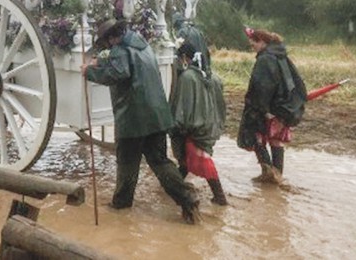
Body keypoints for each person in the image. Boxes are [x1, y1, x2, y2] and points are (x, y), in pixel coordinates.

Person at [83, 19, 201, 224]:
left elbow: (119, 71)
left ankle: (121, 204)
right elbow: (124, 64)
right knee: (160, 161)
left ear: (111, 38)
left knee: (127, 162)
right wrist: (100, 62)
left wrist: (89, 72)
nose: (108, 46)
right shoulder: (143, 45)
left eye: (107, 42)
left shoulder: (120, 50)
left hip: (133, 118)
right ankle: (187, 198)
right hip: (156, 116)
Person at [237, 27, 306, 184]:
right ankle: (277, 176)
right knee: (276, 141)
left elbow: (262, 86)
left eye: (253, 44)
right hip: (283, 107)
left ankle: (269, 174)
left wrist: (263, 110)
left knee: (256, 138)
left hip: (269, 108)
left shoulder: (265, 59)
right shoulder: (281, 55)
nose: (252, 47)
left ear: (261, 42)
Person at [170, 42, 228, 205]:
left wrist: (175, 127)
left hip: (194, 129)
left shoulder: (187, 77)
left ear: (184, 58)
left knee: (199, 160)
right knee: (188, 161)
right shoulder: (214, 77)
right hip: (211, 126)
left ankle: (220, 197)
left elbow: (182, 107)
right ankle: (173, 187)